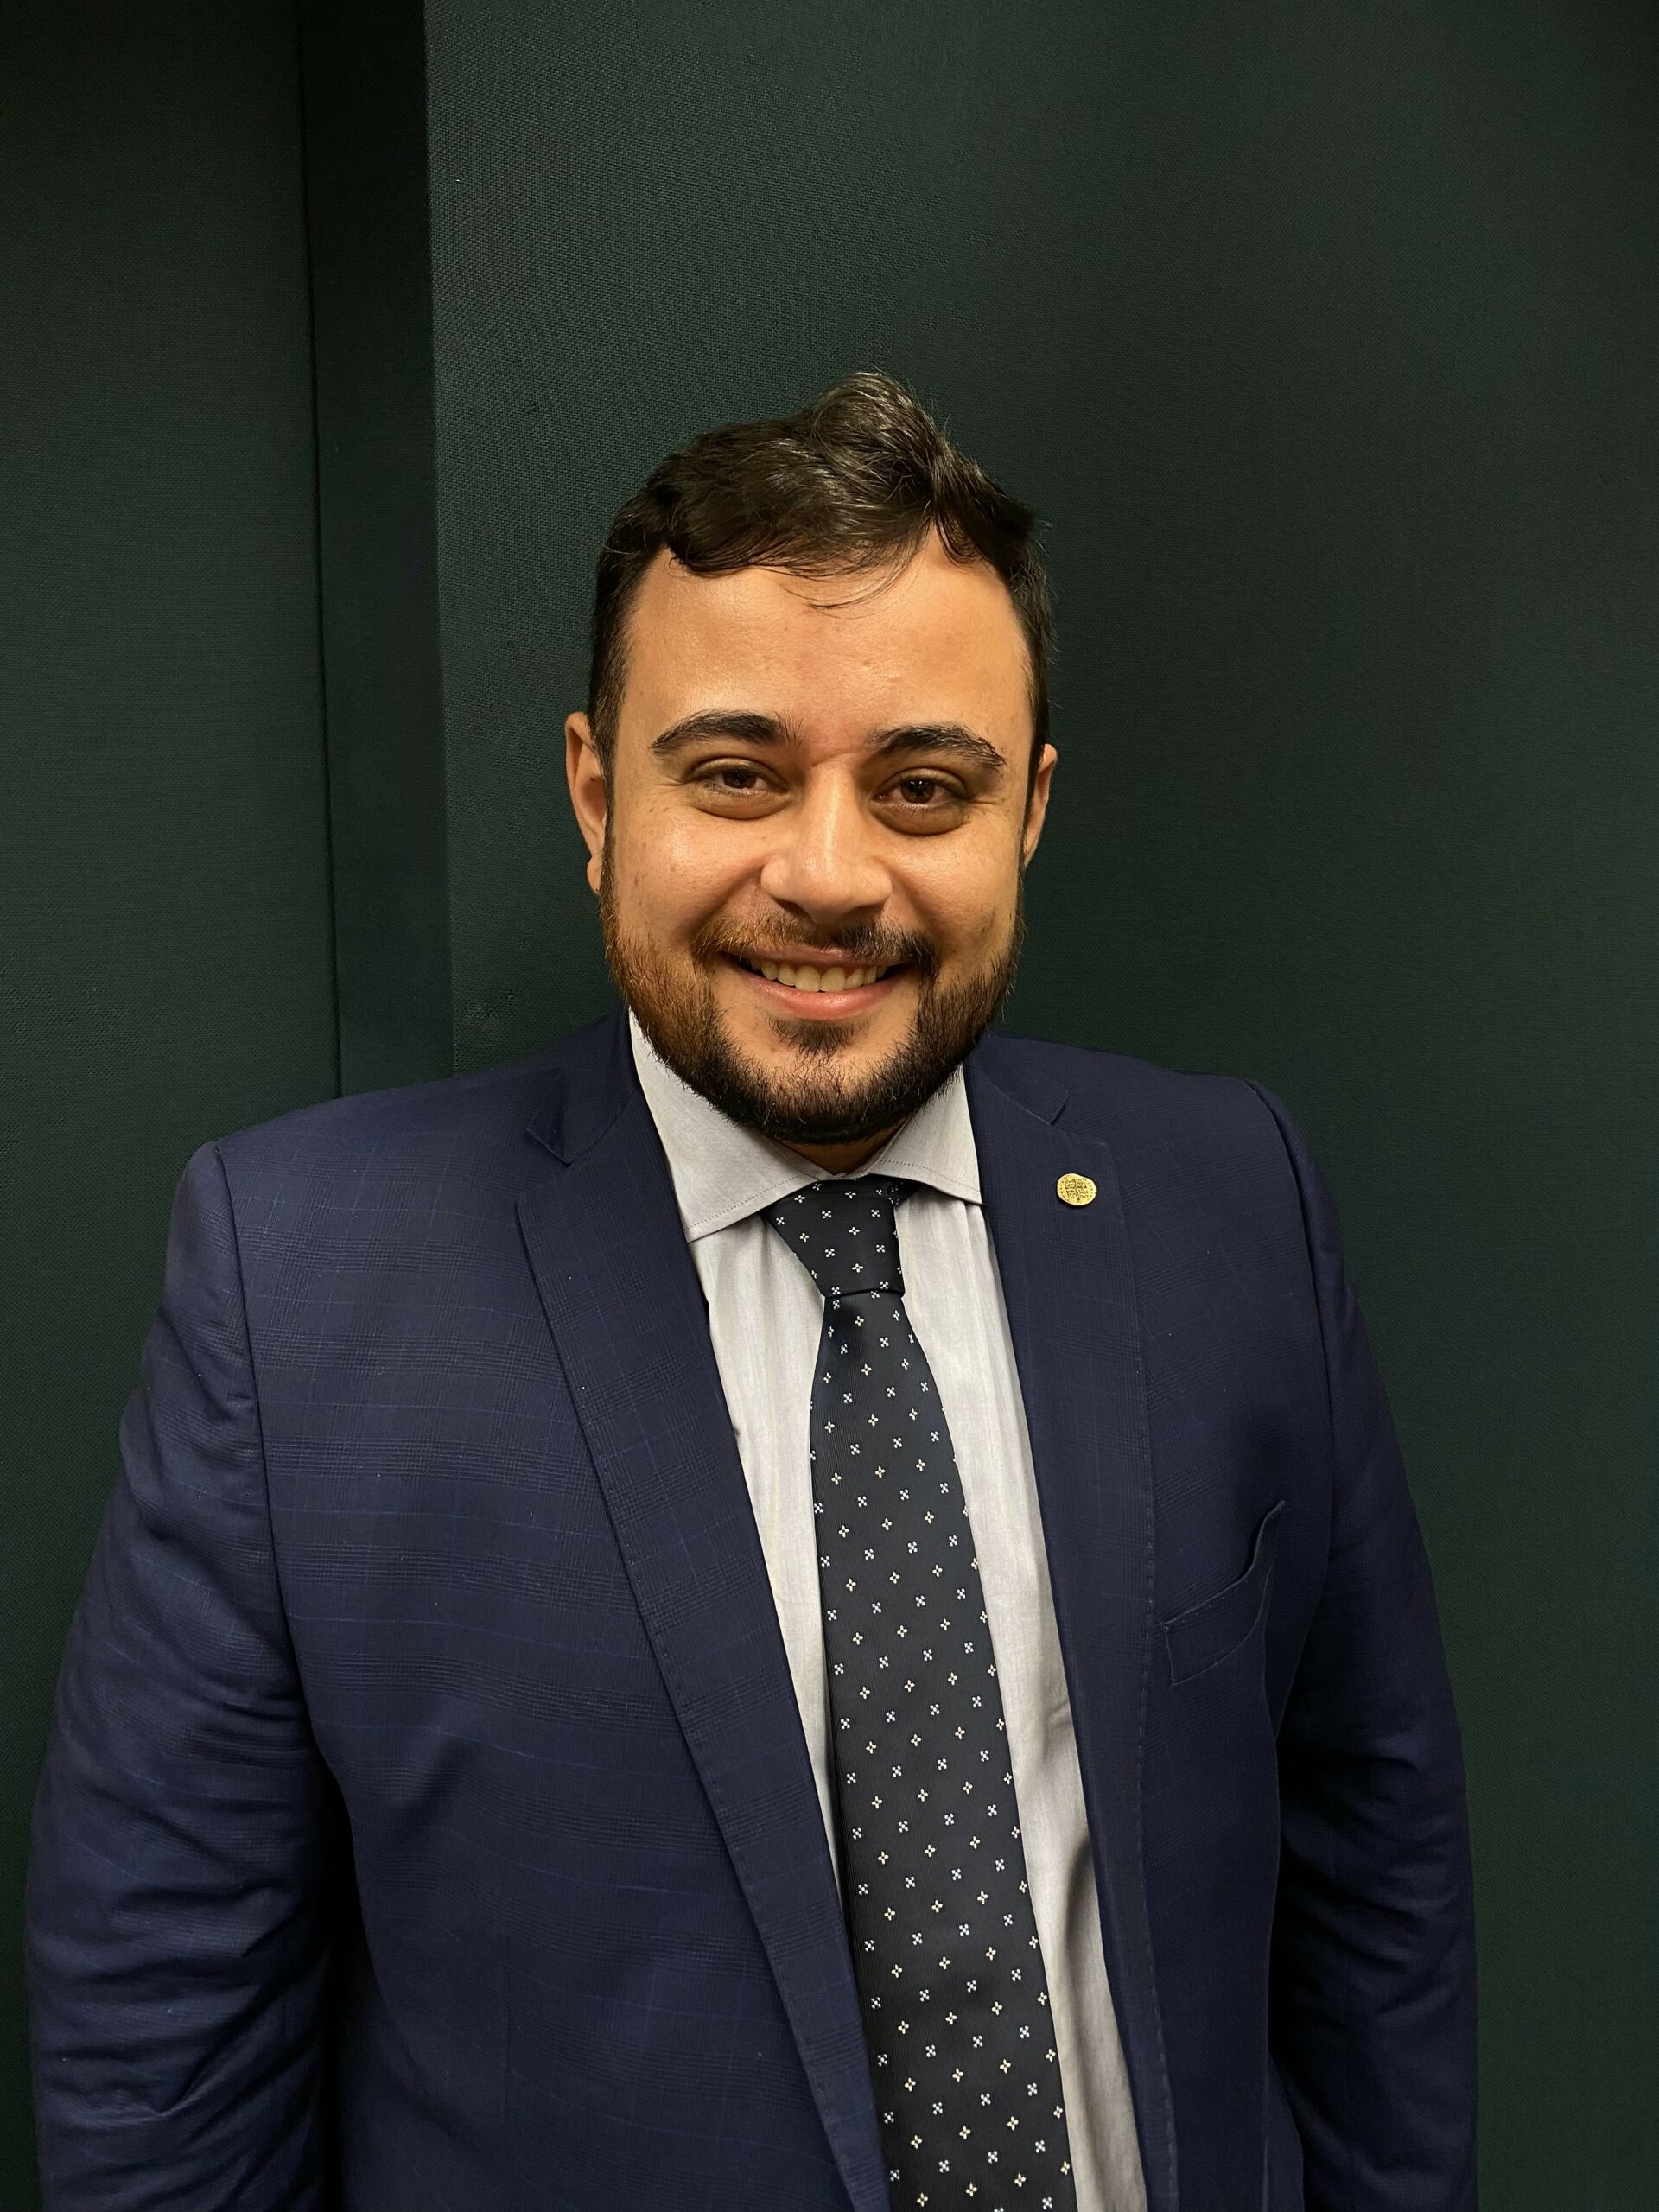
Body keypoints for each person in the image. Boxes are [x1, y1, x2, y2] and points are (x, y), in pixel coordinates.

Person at [24, 372, 1478, 2212]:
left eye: (924, 787)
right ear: (594, 794)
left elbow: (1377, 1874)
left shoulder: (1230, 1199)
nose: (829, 874)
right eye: (735, 774)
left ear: (1028, 810)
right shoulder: (297, 1284)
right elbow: (163, 2038)